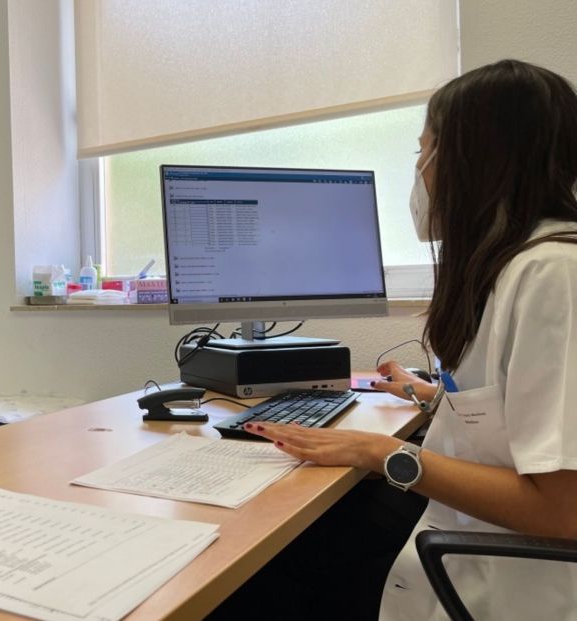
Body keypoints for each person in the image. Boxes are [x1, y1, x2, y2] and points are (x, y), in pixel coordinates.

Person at [211, 59, 577, 620]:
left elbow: (562, 509)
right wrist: (430, 395)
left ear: (474, 160)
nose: (422, 171)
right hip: (463, 528)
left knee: (262, 569)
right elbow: (516, 413)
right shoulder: (515, 266)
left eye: (423, 151)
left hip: (504, 574)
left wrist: (378, 450)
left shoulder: (552, 276)